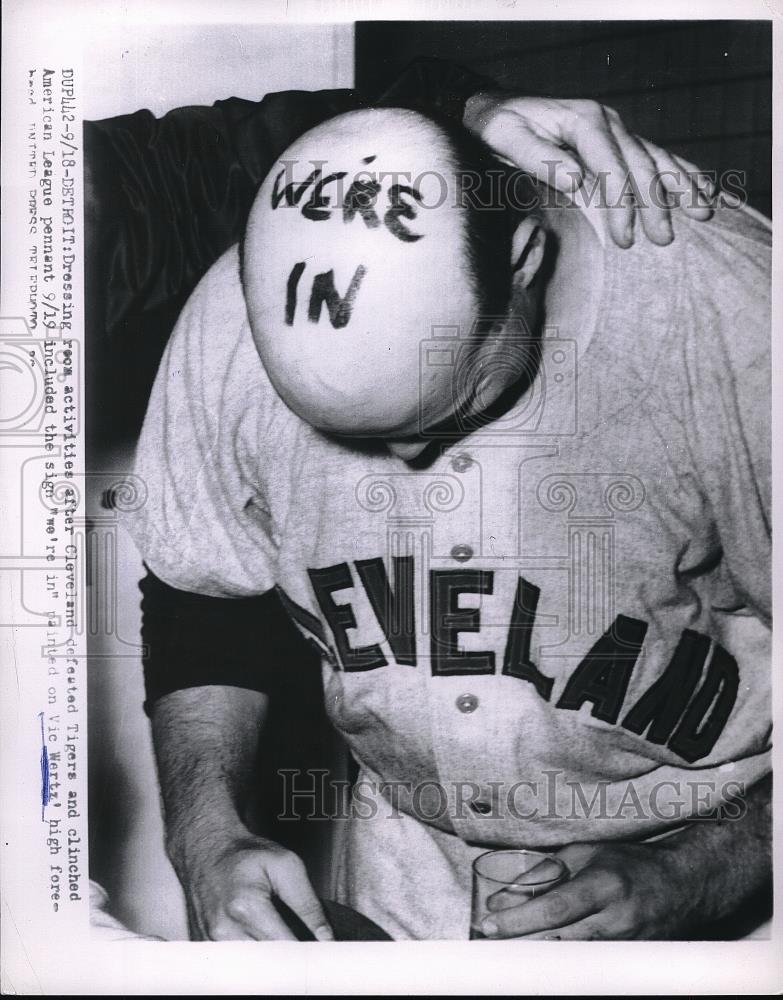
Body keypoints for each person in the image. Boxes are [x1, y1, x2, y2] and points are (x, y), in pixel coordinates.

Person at [120, 97, 770, 941]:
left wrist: (701, 870)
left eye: (440, 412)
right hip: (412, 858)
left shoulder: (737, 320)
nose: (405, 462)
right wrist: (204, 831)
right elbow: (208, 593)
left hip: (717, 852)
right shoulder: (227, 324)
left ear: (525, 259)